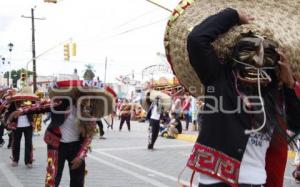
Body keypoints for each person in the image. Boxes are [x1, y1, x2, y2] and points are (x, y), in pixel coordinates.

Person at [164, 1, 300, 186]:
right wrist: (233, 16)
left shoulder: (275, 92)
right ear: (233, 56)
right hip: (216, 180)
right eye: (248, 51)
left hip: (255, 181)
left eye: (265, 54)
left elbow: (296, 122)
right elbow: (197, 39)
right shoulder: (218, 79)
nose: (257, 59)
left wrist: (290, 85)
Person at [5, 100, 34, 168]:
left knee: (28, 143)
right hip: (16, 126)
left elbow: (35, 110)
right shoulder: (14, 103)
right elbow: (8, 112)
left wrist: (28, 109)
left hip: (28, 126)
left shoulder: (29, 102)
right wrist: (14, 114)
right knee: (16, 143)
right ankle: (15, 160)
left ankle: (28, 161)